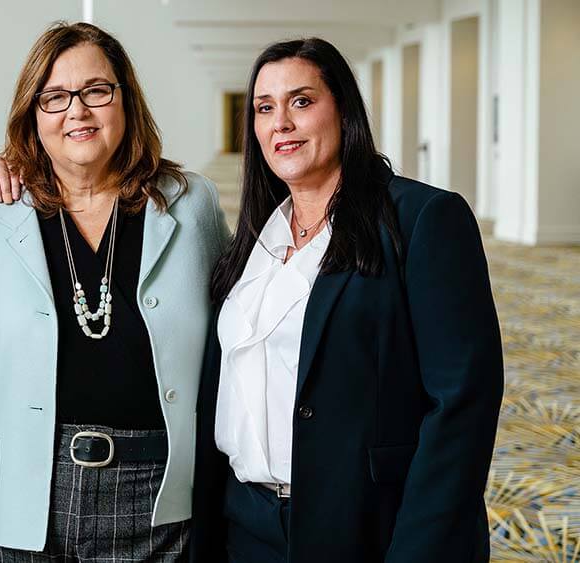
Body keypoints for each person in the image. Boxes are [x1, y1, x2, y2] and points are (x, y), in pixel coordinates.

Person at [191, 38, 504, 562]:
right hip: (244, 523)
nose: (280, 123)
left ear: (344, 110)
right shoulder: (252, 241)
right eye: (265, 108)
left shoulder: (421, 219)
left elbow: (462, 405)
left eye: (302, 101)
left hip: (364, 526)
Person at [0, 22, 229, 562]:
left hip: (158, 496)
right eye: (54, 97)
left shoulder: (192, 207)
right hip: (17, 492)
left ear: (125, 99)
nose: (77, 111)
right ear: (33, 114)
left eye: (96, 91)